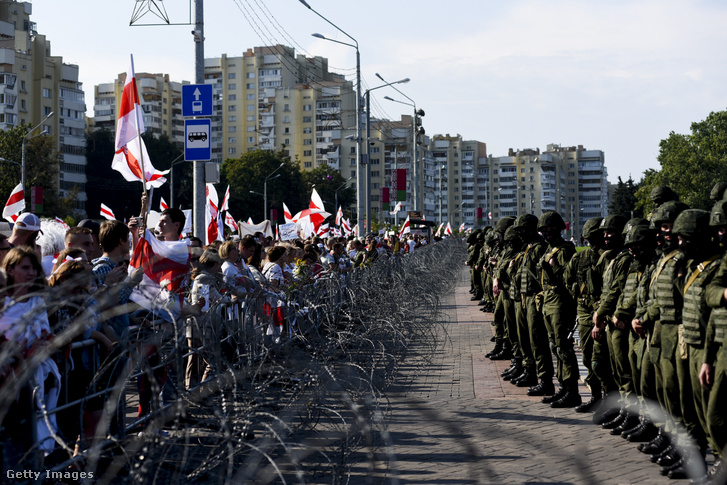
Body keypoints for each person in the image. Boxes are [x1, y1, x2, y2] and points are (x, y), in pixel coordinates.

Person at [0, 246, 61, 455]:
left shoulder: (37, 302)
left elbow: (45, 335)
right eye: (25, 268)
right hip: (6, 374)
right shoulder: (3, 303)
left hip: (34, 372)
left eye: (34, 268)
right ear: (10, 269)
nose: (31, 273)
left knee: (36, 427)